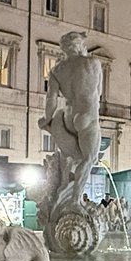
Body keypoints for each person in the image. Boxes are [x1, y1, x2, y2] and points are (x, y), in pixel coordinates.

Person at [38, 31, 103, 218]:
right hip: (87, 115)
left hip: (67, 116)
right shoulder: (94, 64)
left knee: (70, 156)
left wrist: (47, 119)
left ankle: (64, 187)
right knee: (89, 159)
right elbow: (97, 93)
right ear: (80, 45)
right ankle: (75, 200)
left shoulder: (57, 71)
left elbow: (51, 98)